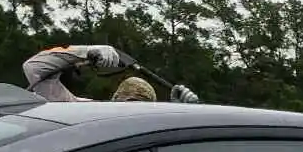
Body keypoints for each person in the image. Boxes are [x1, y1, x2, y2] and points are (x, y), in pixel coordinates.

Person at [22, 44, 197, 104]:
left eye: (139, 106)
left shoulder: (157, 135)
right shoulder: (90, 116)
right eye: (127, 102)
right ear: (115, 100)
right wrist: (86, 51)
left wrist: (183, 113)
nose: (131, 112)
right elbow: (34, 68)